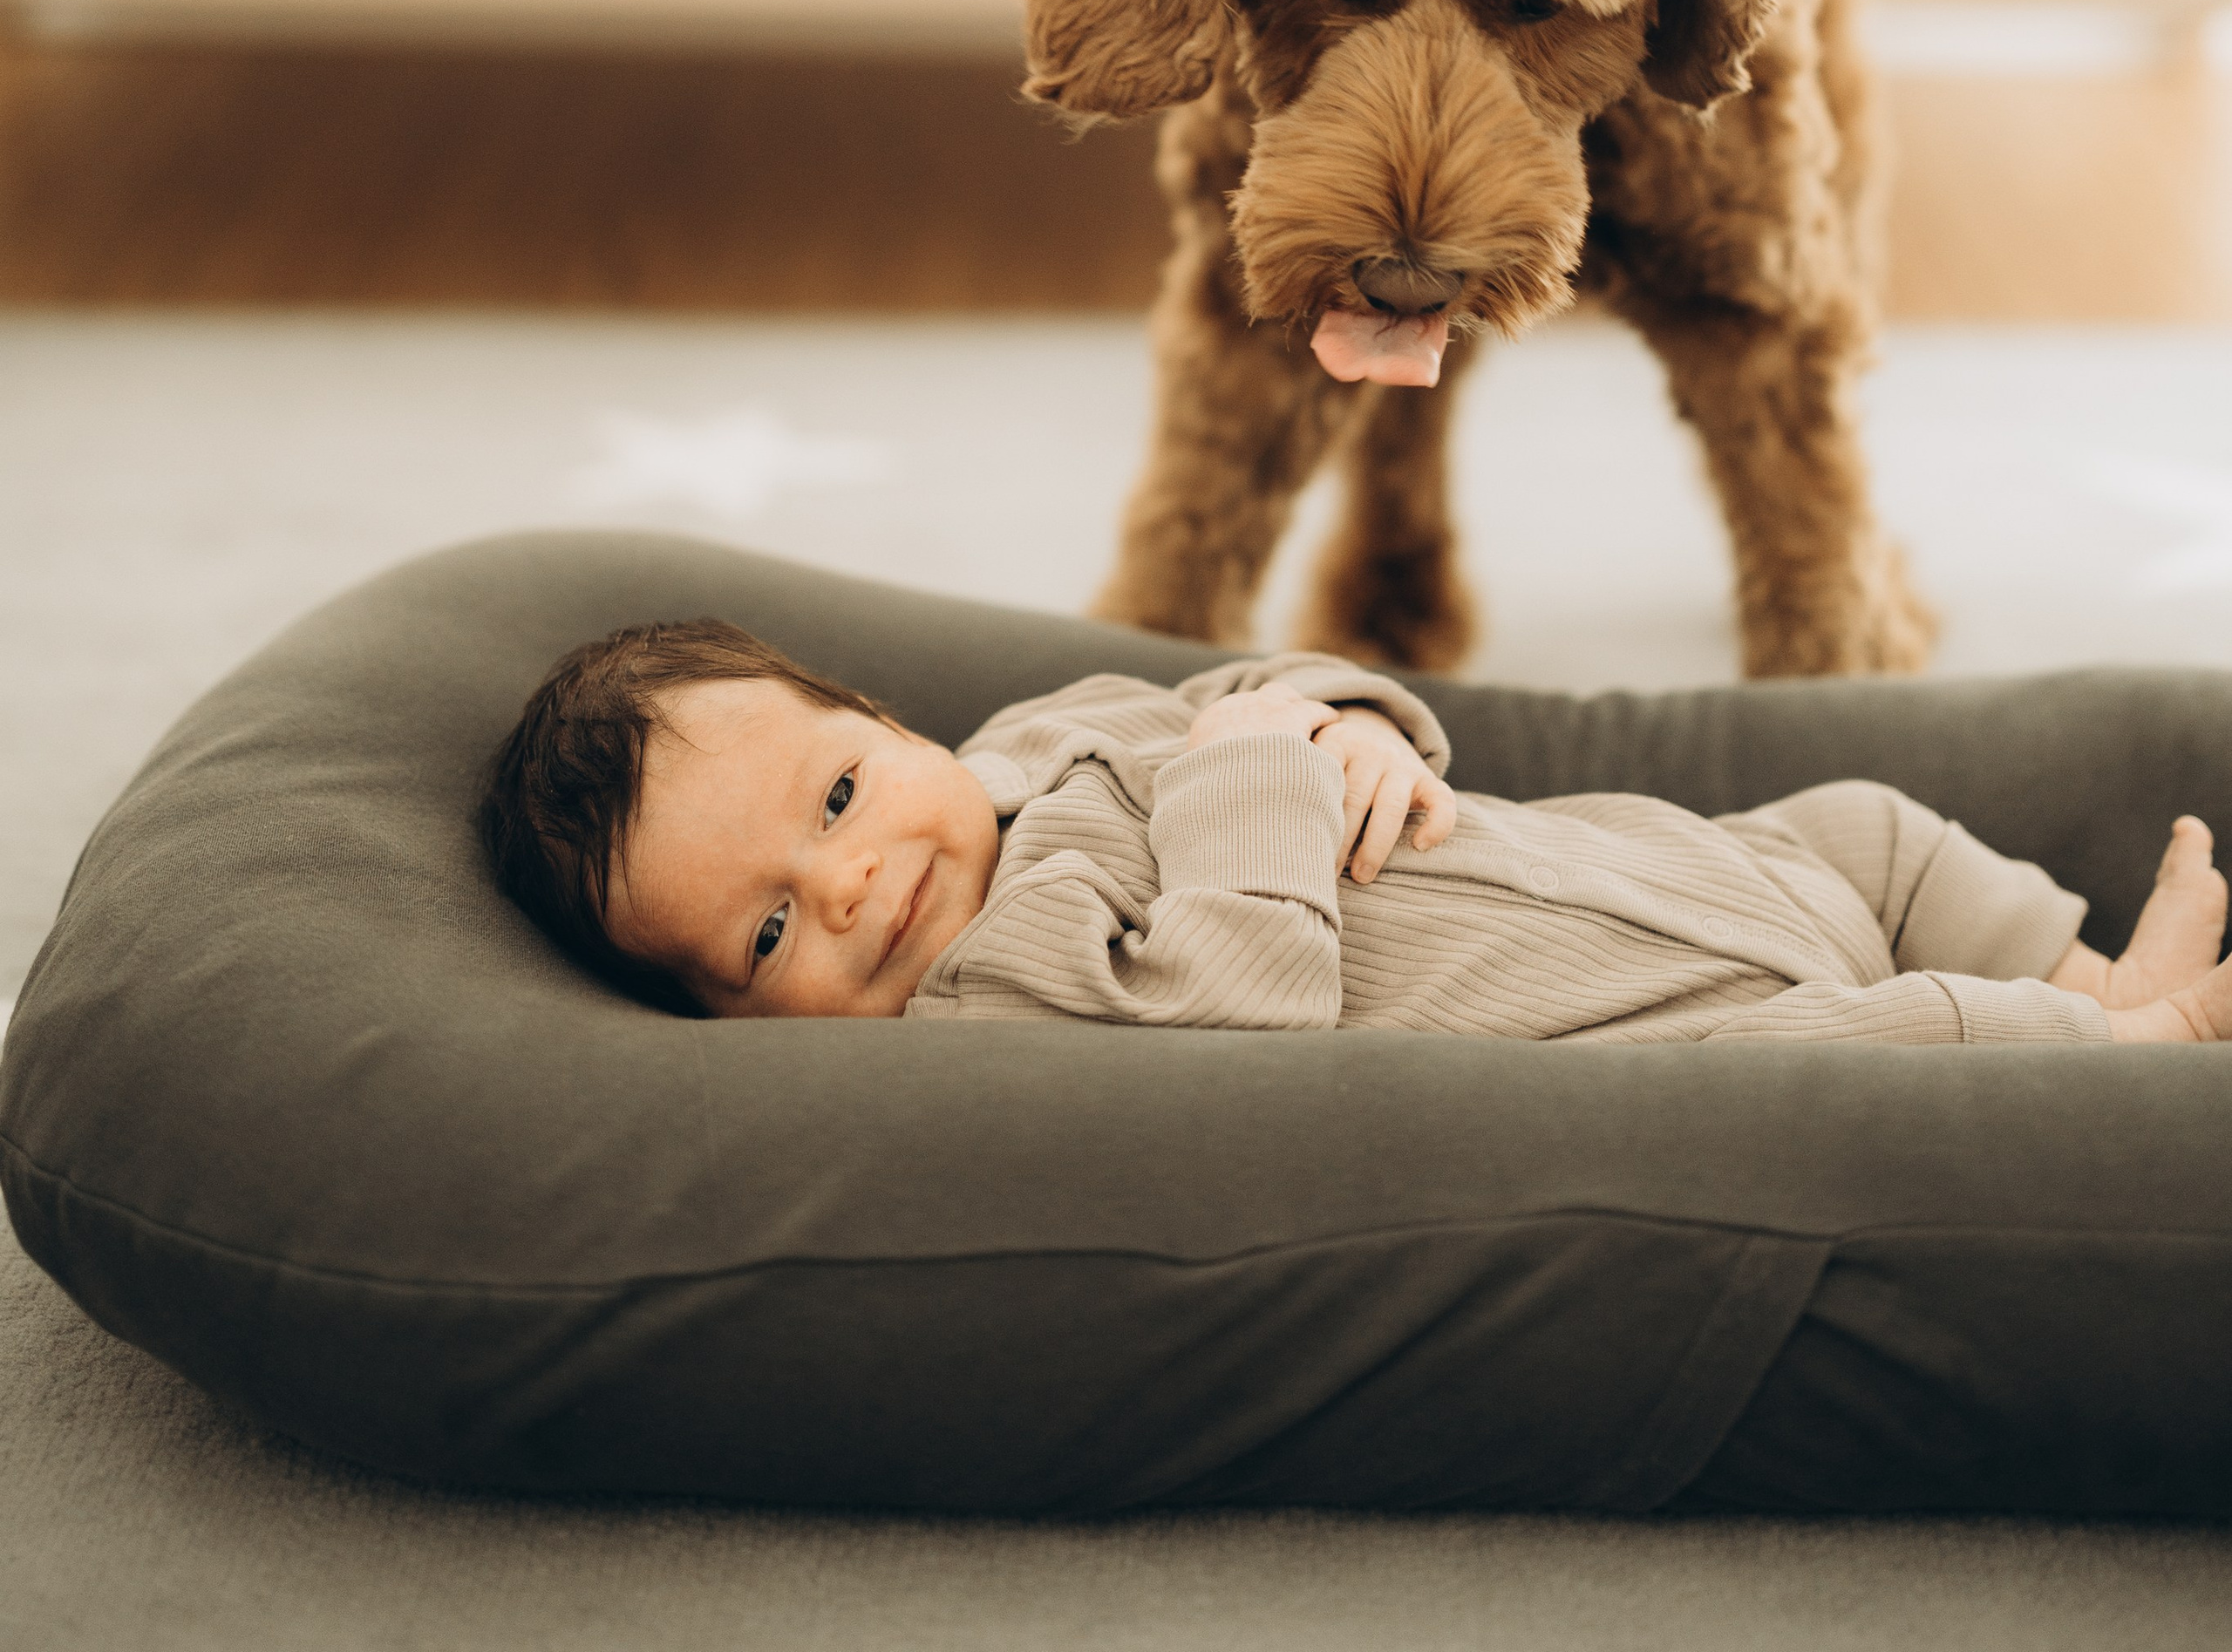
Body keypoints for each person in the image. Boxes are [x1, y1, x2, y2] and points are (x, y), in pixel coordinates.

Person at [482, 615, 2232, 1045]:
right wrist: (1253, 780)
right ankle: (2124, 1057)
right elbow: (1234, 1035)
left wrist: (1333, 718)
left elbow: (1254, 686)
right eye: (769, 933)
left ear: (875, 718)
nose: (851, 882)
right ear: (728, 1029)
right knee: (1865, 1058)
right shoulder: (986, 1011)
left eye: (839, 799)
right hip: (1650, 1036)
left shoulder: (1038, 739)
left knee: (1865, 829)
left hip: (1647, 870)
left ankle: (2087, 984)